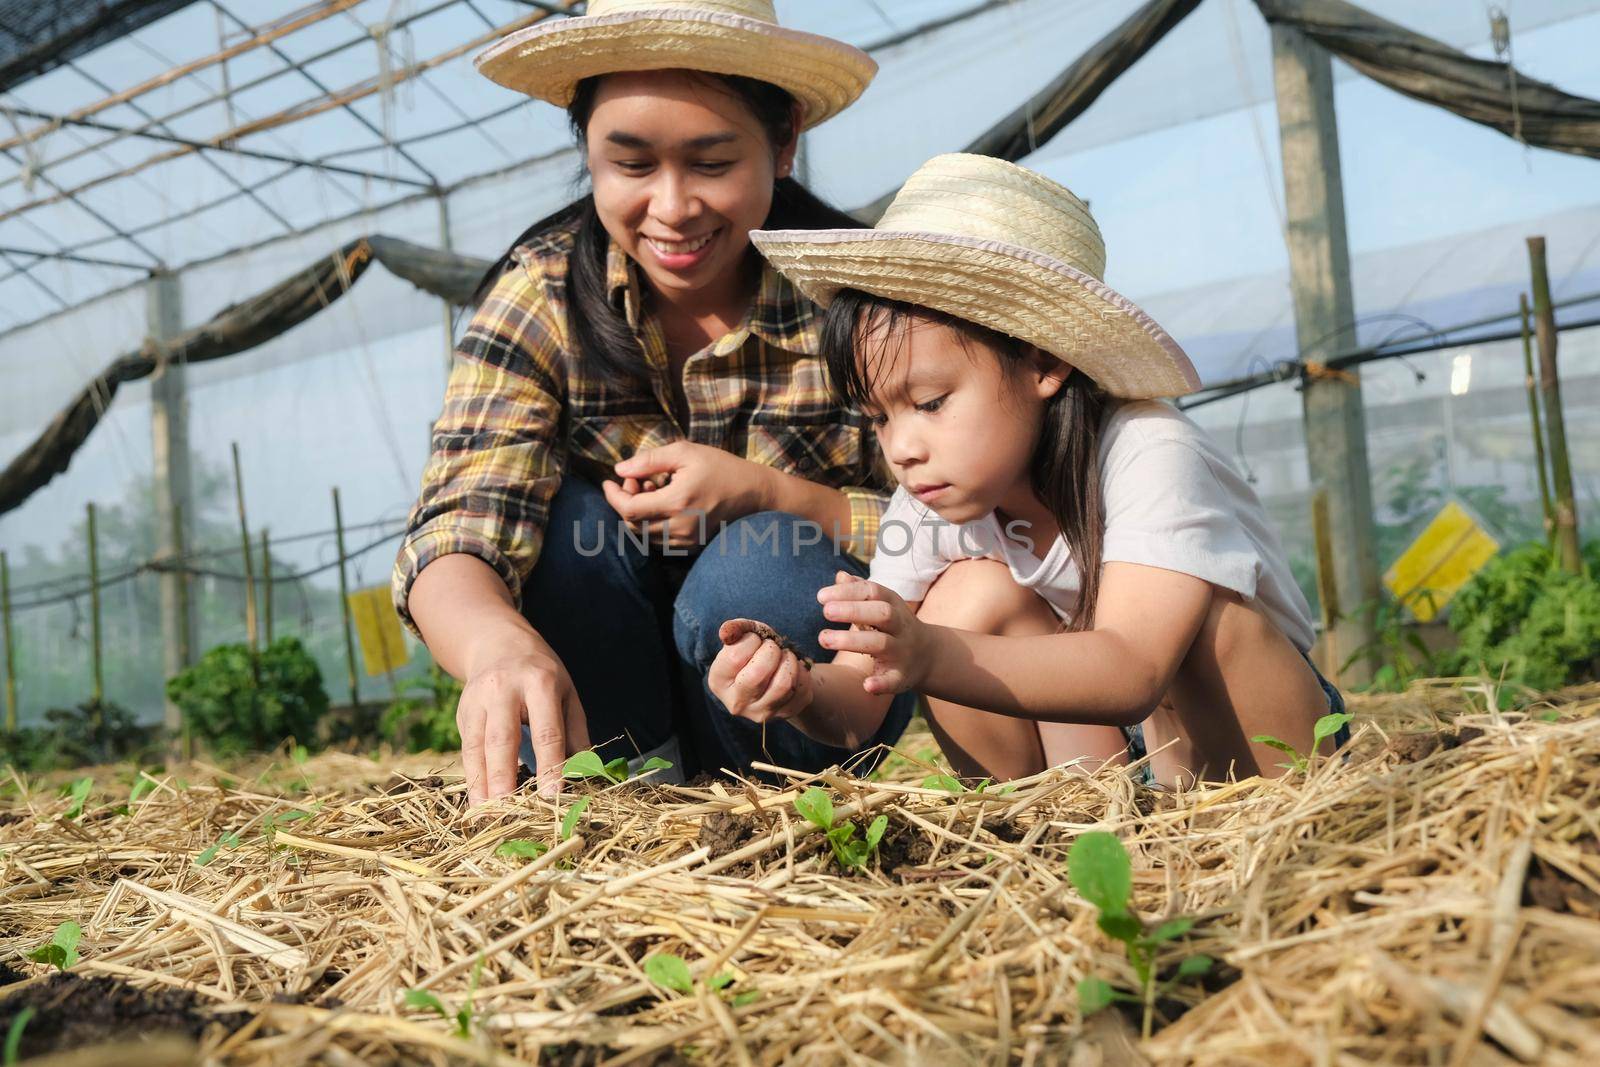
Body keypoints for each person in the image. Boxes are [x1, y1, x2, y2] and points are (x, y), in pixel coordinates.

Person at [394, 0, 916, 806]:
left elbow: (958, 534)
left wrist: (773, 496)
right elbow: (459, 522)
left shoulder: (856, 308)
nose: (671, 209)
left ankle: (774, 802)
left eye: (711, 163)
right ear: (588, 152)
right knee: (569, 528)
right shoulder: (542, 294)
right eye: (631, 165)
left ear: (784, 143)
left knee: (766, 557)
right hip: (609, 708)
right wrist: (496, 644)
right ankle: (628, 789)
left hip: (810, 713)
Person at [709, 153, 1351, 790]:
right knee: (967, 597)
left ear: (1043, 363)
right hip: (1118, 756)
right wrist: (799, 685)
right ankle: (1060, 837)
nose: (902, 447)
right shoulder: (929, 501)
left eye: (931, 404)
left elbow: (1132, 671)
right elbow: (859, 700)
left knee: (1211, 623)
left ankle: (1209, 827)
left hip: (1259, 749)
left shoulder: (1147, 450)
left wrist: (927, 652)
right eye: (879, 417)